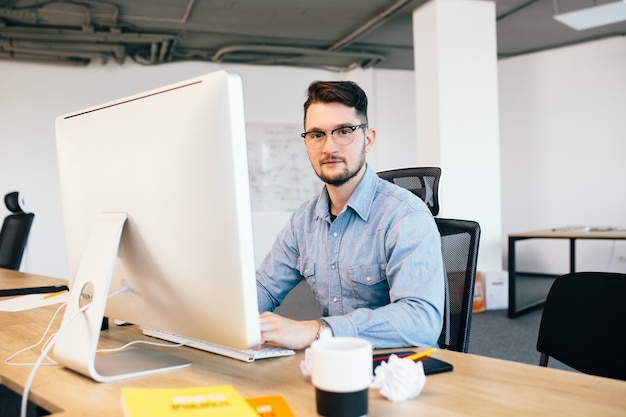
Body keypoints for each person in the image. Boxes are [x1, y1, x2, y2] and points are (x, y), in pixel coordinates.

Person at [256, 80, 444, 350]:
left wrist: (317, 330)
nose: (329, 147)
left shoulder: (405, 216)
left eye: (343, 131)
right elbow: (264, 286)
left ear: (368, 139)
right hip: (333, 363)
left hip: (396, 368)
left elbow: (421, 319)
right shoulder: (304, 220)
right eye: (317, 134)